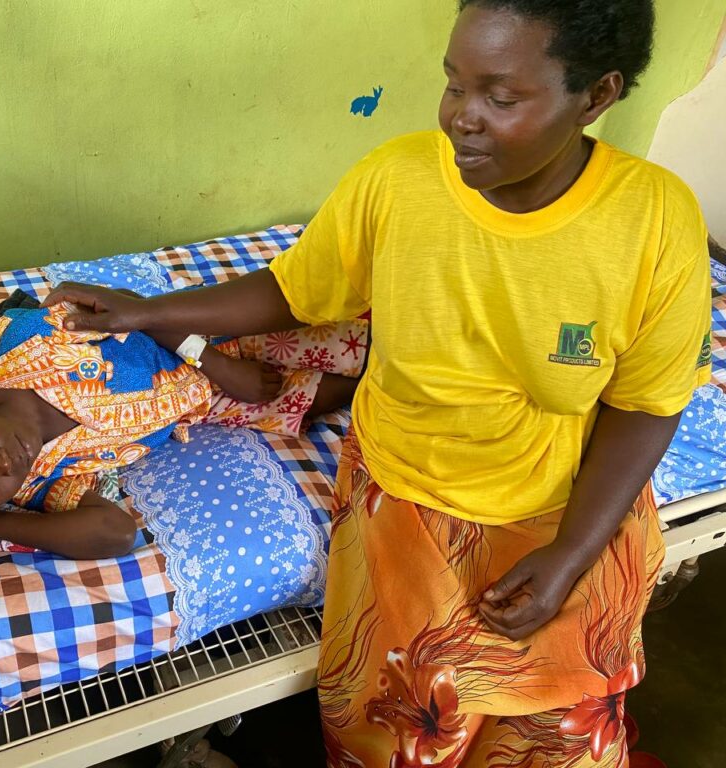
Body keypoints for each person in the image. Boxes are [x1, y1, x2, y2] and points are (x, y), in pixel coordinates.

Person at [40, 0, 712, 762]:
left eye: (501, 96)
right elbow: (295, 291)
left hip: (568, 505)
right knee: (399, 735)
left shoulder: (654, 223)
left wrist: (568, 557)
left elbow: (647, 406)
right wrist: (148, 311)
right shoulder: (398, 182)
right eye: (454, 84)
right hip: (409, 494)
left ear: (595, 95)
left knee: (559, 740)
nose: (462, 117)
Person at [0, 293, 358, 559]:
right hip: (208, 404)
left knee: (349, 335)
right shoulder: (43, 480)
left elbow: (132, 309)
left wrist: (219, 363)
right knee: (342, 391)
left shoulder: (27, 344)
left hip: (200, 335)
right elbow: (116, 535)